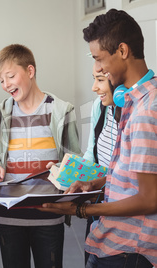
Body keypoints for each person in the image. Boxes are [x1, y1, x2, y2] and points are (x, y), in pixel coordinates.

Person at [39, 9, 157, 268]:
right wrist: (97, 183)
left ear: (123, 51)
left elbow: (149, 198)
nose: (96, 68)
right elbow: (136, 177)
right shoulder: (134, 101)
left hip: (129, 252)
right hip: (115, 245)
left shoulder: (147, 110)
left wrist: (81, 210)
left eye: (98, 59)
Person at [0, 44, 82, 268]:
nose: (5, 84)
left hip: (49, 214)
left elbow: (74, 161)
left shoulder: (61, 110)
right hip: (9, 214)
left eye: (10, 76)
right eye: (1, 80)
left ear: (30, 71)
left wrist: (63, 171)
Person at [82, 62, 121, 265]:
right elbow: (92, 151)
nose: (94, 87)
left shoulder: (137, 115)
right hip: (99, 208)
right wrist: (73, 174)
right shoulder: (100, 106)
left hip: (121, 218)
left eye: (100, 80)